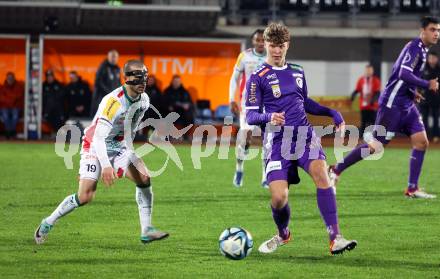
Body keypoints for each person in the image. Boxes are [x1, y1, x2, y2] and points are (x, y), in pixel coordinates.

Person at [246, 23, 357, 255]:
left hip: (305, 136)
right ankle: (283, 233)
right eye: (273, 46)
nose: (277, 51)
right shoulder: (257, 77)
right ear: (265, 45)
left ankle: (335, 237)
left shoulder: (297, 70)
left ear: (288, 45)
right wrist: (269, 117)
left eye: (281, 46)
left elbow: (304, 101)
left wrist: (332, 113)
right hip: (277, 142)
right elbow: (251, 115)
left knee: (322, 176)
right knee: (279, 197)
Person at [34, 60, 169, 244]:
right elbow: (98, 137)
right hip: (94, 144)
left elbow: (129, 129)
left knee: (144, 177)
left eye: (145, 78)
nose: (142, 82)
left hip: (118, 145)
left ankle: (146, 229)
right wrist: (106, 165)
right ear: (126, 78)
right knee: (85, 196)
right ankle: (48, 222)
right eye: (138, 78)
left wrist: (127, 154)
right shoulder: (113, 102)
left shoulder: (144, 100)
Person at [329, 16, 440, 199]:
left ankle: (412, 188)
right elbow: (403, 73)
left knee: (421, 142)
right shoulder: (414, 48)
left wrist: (413, 92)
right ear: (423, 30)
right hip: (392, 105)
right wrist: (427, 84)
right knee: (376, 146)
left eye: (438, 30)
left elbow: (399, 74)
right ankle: (336, 169)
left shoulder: (423, 50)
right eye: (432, 29)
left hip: (406, 104)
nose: (436, 33)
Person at [229, 29, 267, 188]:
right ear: (253, 41)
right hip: (248, 103)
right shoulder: (244, 56)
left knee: (268, 140)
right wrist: (232, 99)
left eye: (262, 40)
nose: (260, 43)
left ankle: (266, 176)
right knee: (245, 137)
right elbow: (234, 78)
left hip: (268, 103)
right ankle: (239, 169)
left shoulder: (273, 57)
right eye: (257, 40)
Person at [351, 64, 381, 137]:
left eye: (370, 70)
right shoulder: (361, 80)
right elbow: (357, 89)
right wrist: (353, 94)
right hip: (363, 106)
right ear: (365, 71)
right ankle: (361, 138)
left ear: (372, 71)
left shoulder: (376, 80)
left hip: (373, 106)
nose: (368, 72)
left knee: (374, 122)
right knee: (363, 122)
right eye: (367, 70)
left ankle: (375, 138)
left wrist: (373, 100)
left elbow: (377, 92)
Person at [90, 49, 121, 116]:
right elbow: (98, 82)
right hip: (102, 99)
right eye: (112, 56)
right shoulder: (103, 67)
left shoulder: (117, 69)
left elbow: (118, 83)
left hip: (113, 99)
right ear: (108, 57)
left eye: (115, 57)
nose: (114, 58)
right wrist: (109, 92)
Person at [420, 51, 440, 142]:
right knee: (424, 118)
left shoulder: (439, 69)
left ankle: (436, 135)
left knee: (436, 118)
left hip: (436, 98)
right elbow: (418, 82)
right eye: (430, 58)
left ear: (437, 59)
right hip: (424, 97)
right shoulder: (423, 69)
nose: (432, 60)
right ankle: (425, 136)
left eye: (434, 58)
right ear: (428, 59)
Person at [0, 72, 24, 139]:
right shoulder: (2, 87)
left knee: (15, 115)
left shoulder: (18, 86)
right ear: (6, 78)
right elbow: (2, 98)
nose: (10, 79)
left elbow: (18, 96)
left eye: (11, 78)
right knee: (5, 115)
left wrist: (9, 99)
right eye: (8, 78)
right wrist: (11, 99)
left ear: (14, 78)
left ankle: (11, 131)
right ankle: (9, 132)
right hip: (5, 107)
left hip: (15, 107)